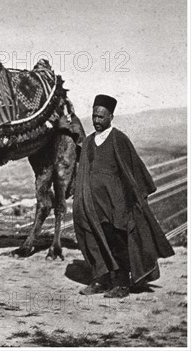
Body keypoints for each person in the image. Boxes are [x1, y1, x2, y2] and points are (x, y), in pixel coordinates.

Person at [73, 94, 174, 298]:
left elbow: (133, 169)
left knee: (118, 241)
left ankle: (121, 284)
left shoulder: (119, 139)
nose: (97, 121)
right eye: (94, 116)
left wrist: (132, 201)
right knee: (96, 241)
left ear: (111, 116)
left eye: (101, 117)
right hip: (94, 204)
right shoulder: (89, 142)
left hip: (115, 204)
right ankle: (101, 280)